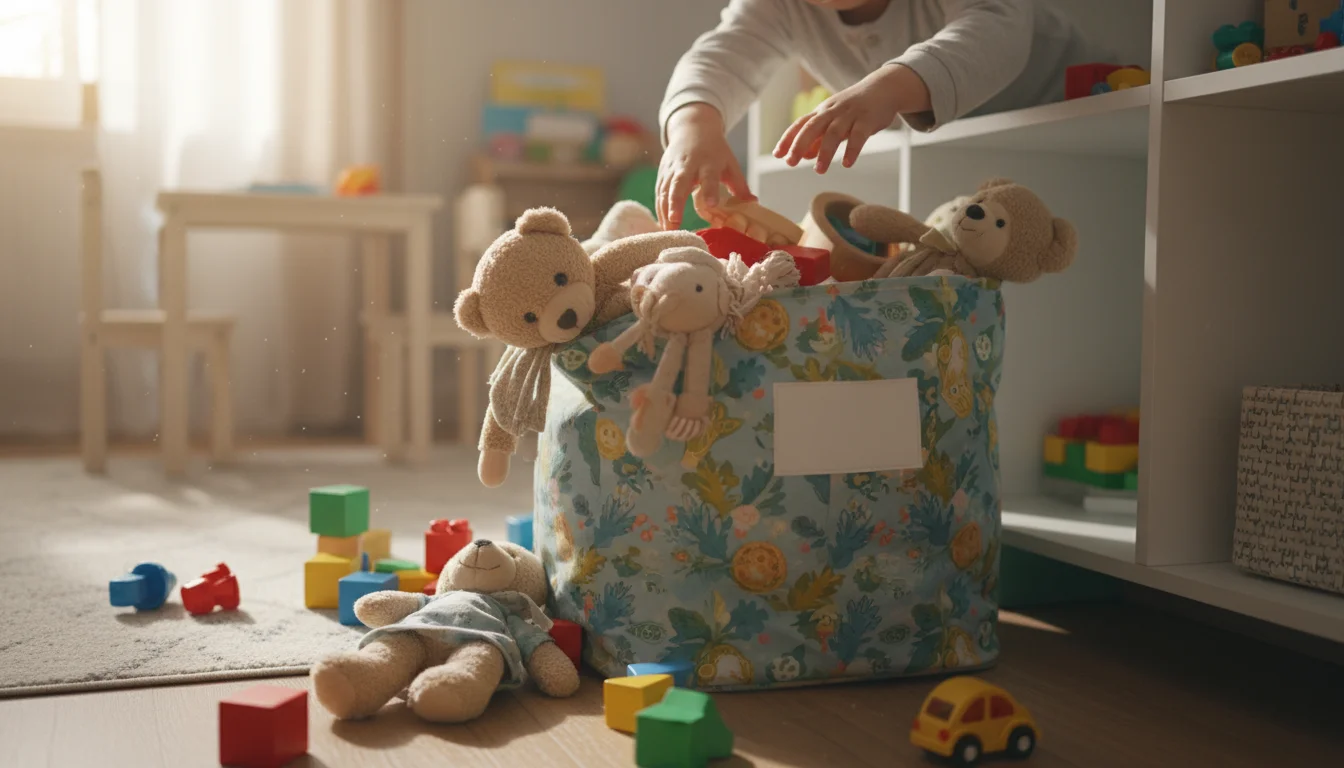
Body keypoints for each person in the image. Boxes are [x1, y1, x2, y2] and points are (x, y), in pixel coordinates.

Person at [655, 0, 1108, 229]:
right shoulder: (778, 6)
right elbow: (718, 58)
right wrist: (694, 125)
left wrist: (889, 86)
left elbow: (998, 28)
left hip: (1078, 106)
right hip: (954, 145)